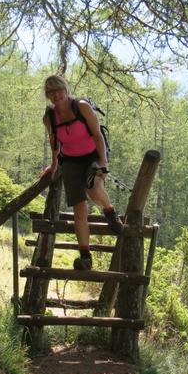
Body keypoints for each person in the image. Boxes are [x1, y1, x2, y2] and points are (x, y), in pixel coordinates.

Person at [41, 75, 123, 271]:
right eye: (51, 92)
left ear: (66, 89)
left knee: (94, 190)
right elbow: (54, 143)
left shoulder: (82, 107)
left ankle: (110, 211)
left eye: (58, 90)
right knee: (79, 208)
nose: (56, 95)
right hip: (70, 161)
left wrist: (103, 162)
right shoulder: (49, 117)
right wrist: (53, 166)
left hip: (93, 156)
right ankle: (85, 257)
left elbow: (97, 135)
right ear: (47, 95)